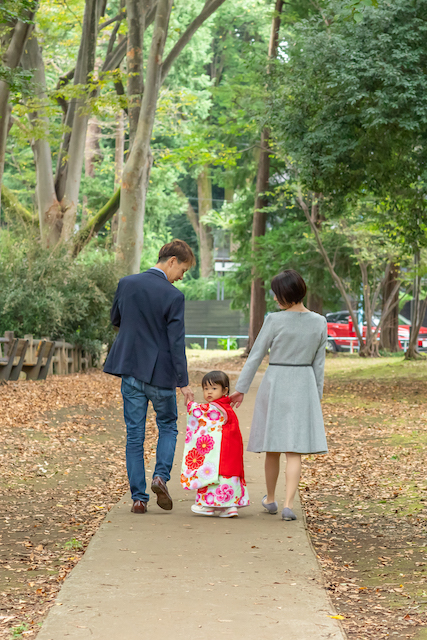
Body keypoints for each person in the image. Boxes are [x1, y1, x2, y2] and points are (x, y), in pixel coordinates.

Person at [104, 239, 196, 514]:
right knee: (168, 425)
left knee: (135, 436)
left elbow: (116, 319)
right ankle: (160, 477)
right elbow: (176, 342)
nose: (182, 276)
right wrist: (184, 383)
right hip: (161, 375)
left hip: (131, 370)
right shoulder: (174, 296)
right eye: (183, 270)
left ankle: (138, 499)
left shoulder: (127, 283)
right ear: (172, 261)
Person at [230, 269, 328, 521]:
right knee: (294, 450)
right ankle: (288, 505)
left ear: (286, 294)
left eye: (277, 294)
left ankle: (270, 499)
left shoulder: (274, 320)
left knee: (273, 447)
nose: (275, 299)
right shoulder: (319, 322)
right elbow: (319, 364)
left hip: (276, 382)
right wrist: (315, 397)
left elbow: (256, 355)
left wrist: (240, 388)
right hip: (304, 383)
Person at [181, 370, 249, 518]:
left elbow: (201, 413)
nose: (209, 392)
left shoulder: (215, 408)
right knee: (229, 476)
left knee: (211, 473)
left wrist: (191, 404)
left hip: (219, 451)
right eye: (206, 389)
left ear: (225, 390)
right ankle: (230, 507)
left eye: (214, 388)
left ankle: (208, 506)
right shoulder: (226, 407)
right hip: (231, 451)